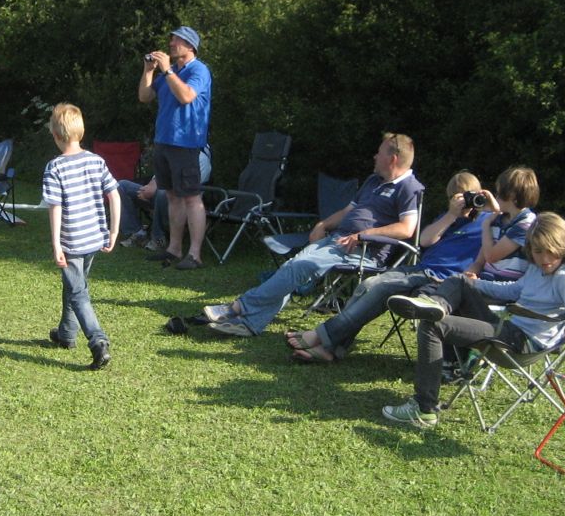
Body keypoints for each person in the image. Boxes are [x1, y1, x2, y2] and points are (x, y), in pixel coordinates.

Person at [381, 211, 565, 429]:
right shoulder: (535, 269)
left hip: (521, 343)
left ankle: (423, 409)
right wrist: (474, 283)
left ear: (564, 247)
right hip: (508, 330)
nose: (544, 258)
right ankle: (436, 305)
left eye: (551, 251)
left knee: (432, 327)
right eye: (538, 251)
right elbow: (512, 290)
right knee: (459, 281)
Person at [203, 133, 424, 337]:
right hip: (337, 240)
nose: (375, 156)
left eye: (379, 152)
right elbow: (348, 211)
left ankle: (238, 307)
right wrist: (323, 224)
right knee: (292, 267)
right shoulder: (373, 181)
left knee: (298, 267)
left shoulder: (408, 187)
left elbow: (407, 228)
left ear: (393, 159)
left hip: (363, 250)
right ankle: (250, 324)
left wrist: (364, 235)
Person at [284, 170, 484, 364]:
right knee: (367, 285)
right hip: (421, 270)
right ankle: (331, 349)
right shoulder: (447, 218)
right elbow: (425, 241)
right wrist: (451, 214)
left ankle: (322, 336)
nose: (464, 202)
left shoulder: (486, 222)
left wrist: (488, 206)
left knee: (380, 289)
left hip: (441, 279)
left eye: (468, 196)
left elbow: (500, 230)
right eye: (456, 197)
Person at [42, 103, 121, 370]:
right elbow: (114, 195)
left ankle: (98, 341)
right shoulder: (96, 161)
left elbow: (55, 207)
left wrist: (56, 244)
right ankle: (66, 333)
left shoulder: (55, 167)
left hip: (72, 241)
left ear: (56, 135)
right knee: (75, 284)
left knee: (78, 292)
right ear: (81, 131)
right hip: (94, 238)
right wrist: (113, 230)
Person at [137, 26, 211, 270]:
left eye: (177, 41)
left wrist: (167, 70)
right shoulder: (172, 73)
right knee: (172, 196)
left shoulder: (198, 70)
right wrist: (149, 71)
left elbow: (186, 96)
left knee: (192, 198)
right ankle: (174, 248)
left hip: (186, 143)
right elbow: (145, 97)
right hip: (164, 142)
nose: (170, 44)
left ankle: (195, 255)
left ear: (190, 46)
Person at [118, 145, 212, 252]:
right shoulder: (175, 154)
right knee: (121, 186)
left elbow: (185, 188)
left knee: (163, 192)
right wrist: (148, 190)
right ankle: (137, 232)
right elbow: (158, 177)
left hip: (183, 203)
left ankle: (158, 238)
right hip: (161, 195)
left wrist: (158, 186)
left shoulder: (202, 161)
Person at [469, 166, 539, 281]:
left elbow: (491, 256)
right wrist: (467, 275)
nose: (496, 198)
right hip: (485, 280)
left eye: (499, 193)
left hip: (505, 285)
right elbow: (480, 261)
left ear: (511, 195)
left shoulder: (526, 223)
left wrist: (486, 225)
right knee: (453, 283)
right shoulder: (498, 219)